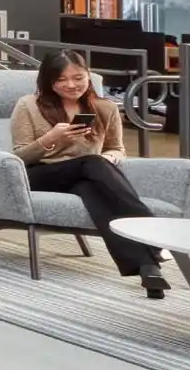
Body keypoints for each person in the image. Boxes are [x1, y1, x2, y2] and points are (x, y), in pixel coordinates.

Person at [13, 47, 171, 297]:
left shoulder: (104, 108)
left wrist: (107, 159)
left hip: (86, 176)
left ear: (88, 75)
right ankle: (153, 232)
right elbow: (18, 157)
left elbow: (117, 149)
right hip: (40, 175)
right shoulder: (29, 105)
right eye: (61, 79)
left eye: (78, 77)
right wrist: (50, 138)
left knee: (94, 191)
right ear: (48, 81)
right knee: (92, 164)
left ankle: (148, 269)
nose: (71, 85)